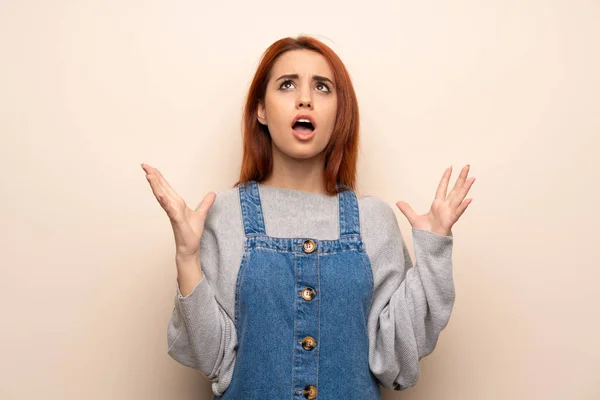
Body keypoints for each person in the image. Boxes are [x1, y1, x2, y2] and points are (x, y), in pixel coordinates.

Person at [141, 35, 475, 400]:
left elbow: (393, 362)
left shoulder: (373, 220)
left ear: (339, 112)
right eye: (287, 85)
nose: (305, 98)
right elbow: (211, 359)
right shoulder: (223, 214)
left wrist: (434, 250)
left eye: (322, 87)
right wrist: (187, 258)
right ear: (261, 110)